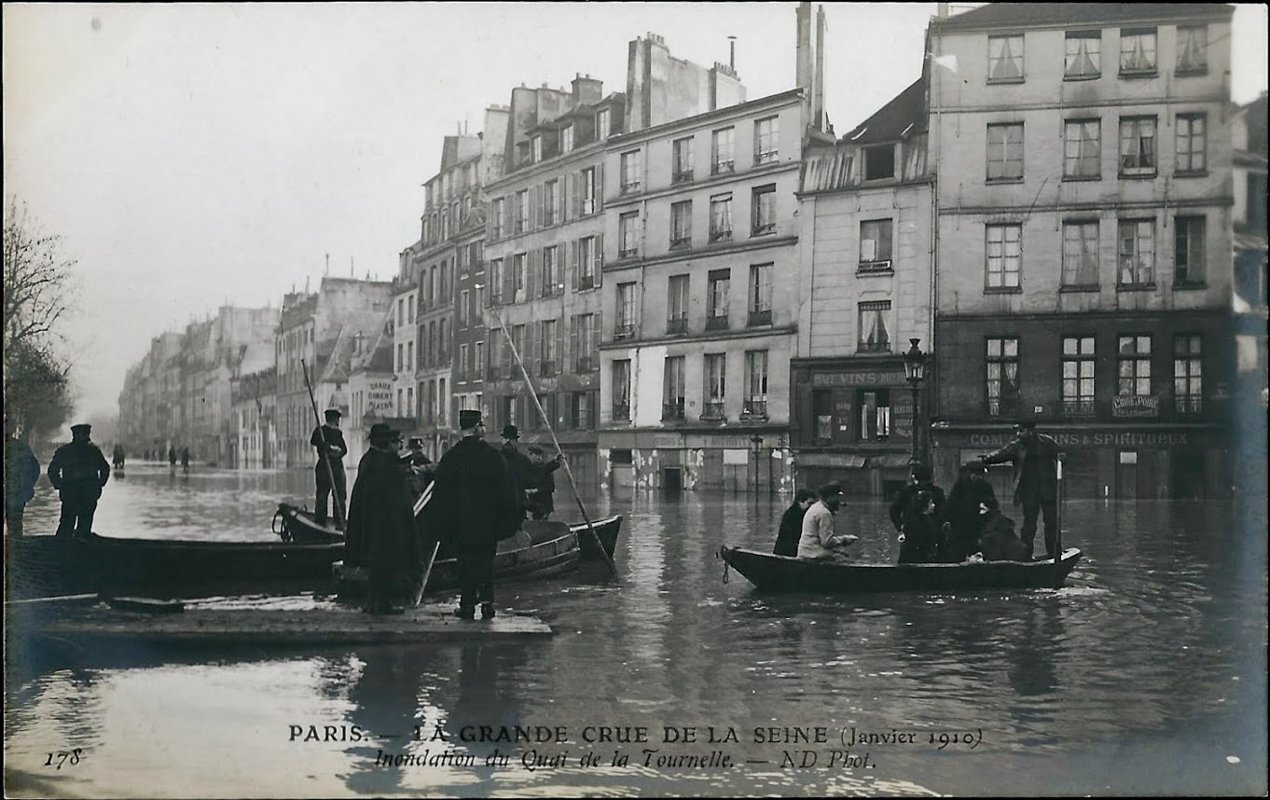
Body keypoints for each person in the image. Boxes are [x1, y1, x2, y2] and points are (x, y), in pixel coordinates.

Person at [430, 410, 520, 620]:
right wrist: (507, 519)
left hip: (461, 524)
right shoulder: (493, 456)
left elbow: (440, 495)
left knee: (465, 563)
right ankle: (488, 605)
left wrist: (443, 524)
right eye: (482, 425)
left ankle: (467, 605)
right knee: (486, 562)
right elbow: (507, 490)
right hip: (487, 523)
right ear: (478, 427)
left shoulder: (451, 458)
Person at [345, 423, 418, 614]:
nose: (398, 446)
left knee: (376, 567)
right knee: (386, 565)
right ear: (387, 443)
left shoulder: (368, 460)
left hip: (369, 525)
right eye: (395, 442)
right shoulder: (387, 464)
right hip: (386, 526)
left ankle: (374, 602)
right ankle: (382, 603)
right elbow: (396, 500)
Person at [981, 419, 1061, 560]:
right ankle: (1025, 554)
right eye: (1017, 431)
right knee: (1029, 525)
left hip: (1048, 489)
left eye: (1021, 431)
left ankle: (1053, 553)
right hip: (1029, 490)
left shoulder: (1047, 443)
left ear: (1030, 431)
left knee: (1052, 523)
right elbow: (1001, 454)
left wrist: (1062, 459)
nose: (1018, 434)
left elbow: (1061, 453)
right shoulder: (1016, 446)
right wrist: (985, 459)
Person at [47, 423, 111, 538]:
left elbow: (52, 470)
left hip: (75, 492)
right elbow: (105, 469)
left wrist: (60, 485)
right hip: (83, 492)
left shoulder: (66, 451)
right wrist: (99, 485)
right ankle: (76, 549)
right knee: (79, 526)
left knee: (69, 526)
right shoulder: (93, 451)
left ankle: (63, 549)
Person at [939, 461, 1001, 562]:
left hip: (977, 526)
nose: (977, 477)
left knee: (976, 554)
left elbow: (992, 505)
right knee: (959, 553)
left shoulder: (984, 486)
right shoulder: (961, 485)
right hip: (961, 526)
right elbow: (951, 504)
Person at [889, 464, 946, 555]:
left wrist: (900, 528)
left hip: (914, 533)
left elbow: (893, 510)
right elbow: (944, 513)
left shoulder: (907, 491)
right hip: (930, 534)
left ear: (914, 477)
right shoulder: (937, 492)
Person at [797, 482, 859, 563]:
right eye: (837, 497)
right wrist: (844, 540)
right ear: (830, 497)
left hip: (805, 551)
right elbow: (826, 542)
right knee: (848, 561)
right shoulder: (824, 513)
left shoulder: (816, 507)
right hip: (813, 555)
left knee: (841, 554)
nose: (839, 501)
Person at [310, 409, 348, 529]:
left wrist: (336, 451)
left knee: (340, 496)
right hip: (324, 467)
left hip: (337, 467)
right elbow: (314, 441)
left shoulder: (338, 433)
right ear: (333, 420)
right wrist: (324, 445)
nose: (338, 422)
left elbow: (344, 450)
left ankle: (339, 523)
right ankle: (321, 522)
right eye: (337, 419)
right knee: (322, 495)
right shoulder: (320, 431)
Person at [4, 417, 41, 536]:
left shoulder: (22, 448)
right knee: (15, 528)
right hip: (16, 494)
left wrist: (26, 487)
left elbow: (34, 469)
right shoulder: (22, 447)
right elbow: (35, 470)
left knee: (15, 527)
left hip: (15, 494)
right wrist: (26, 487)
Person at [499, 424, 537, 520]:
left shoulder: (523, 460)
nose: (507, 441)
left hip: (518, 508)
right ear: (502, 440)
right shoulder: (495, 459)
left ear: (516, 441)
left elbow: (533, 480)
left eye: (511, 439)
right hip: (499, 508)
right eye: (505, 438)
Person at [773, 488, 817, 556]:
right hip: (788, 552)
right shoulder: (794, 515)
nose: (812, 507)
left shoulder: (791, 513)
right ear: (800, 502)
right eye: (809, 503)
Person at [524, 445, 563, 521]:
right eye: (536, 455)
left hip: (544, 502)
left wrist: (536, 490)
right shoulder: (529, 468)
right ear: (531, 455)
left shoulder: (546, 469)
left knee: (541, 522)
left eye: (540, 455)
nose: (539, 457)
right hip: (532, 502)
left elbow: (550, 487)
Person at [402, 437, 434, 503]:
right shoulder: (404, 461)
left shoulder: (426, 463)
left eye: (419, 448)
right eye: (415, 448)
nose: (418, 451)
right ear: (410, 449)